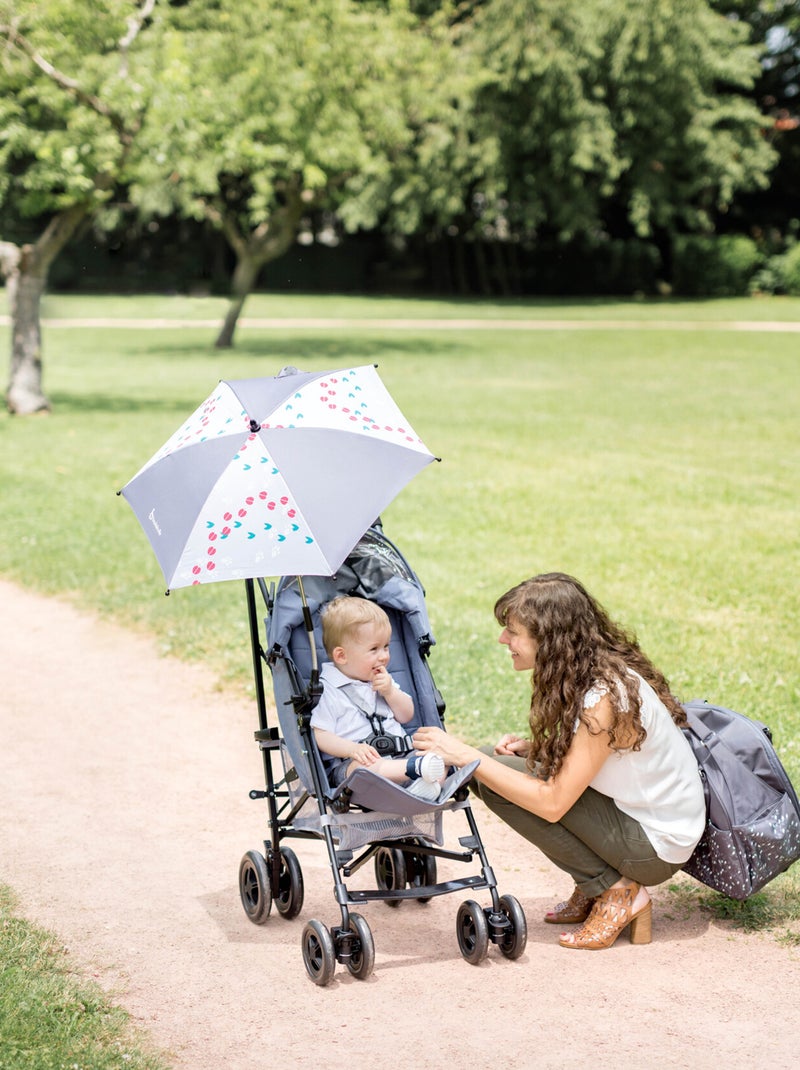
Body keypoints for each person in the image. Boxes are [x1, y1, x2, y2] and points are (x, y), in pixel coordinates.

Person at [413, 572, 706, 950]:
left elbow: (553, 803)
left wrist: (463, 753)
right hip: (642, 819)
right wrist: (535, 750)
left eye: (513, 631)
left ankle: (616, 892)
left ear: (548, 639)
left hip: (655, 846)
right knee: (490, 765)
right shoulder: (588, 671)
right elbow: (607, 756)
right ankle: (599, 885)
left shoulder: (604, 697)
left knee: (484, 769)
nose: (504, 639)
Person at [311, 596, 447, 801]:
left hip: (400, 755)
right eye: (374, 649)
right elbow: (320, 734)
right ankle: (418, 771)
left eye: (386, 647)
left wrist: (391, 692)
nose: (383, 656)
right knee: (363, 769)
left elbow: (406, 715)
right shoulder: (329, 690)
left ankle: (427, 787)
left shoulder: (383, 679)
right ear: (341, 656)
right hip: (357, 767)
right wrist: (353, 749)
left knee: (441, 753)